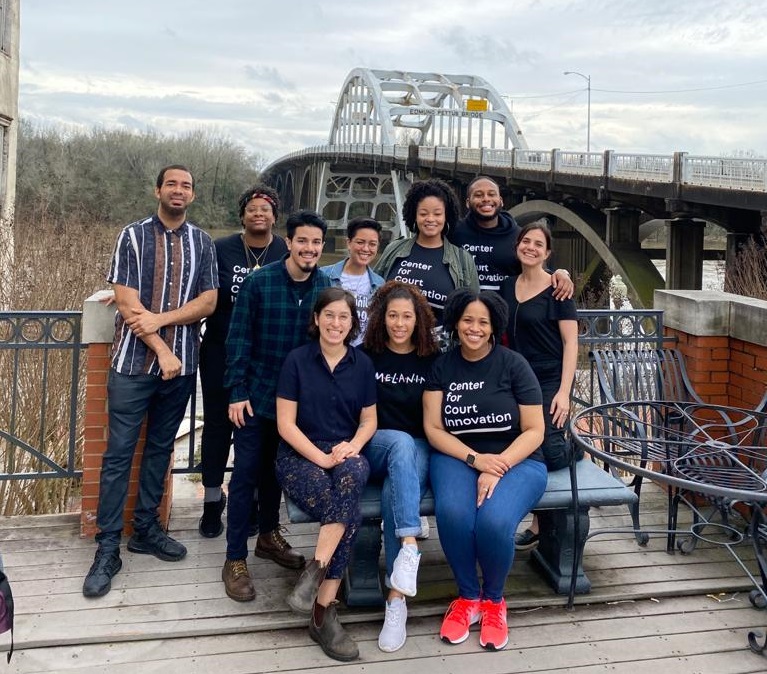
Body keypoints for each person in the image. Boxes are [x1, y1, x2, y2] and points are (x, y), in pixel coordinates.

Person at [83, 165, 218, 598]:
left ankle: (145, 530)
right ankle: (107, 548)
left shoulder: (202, 242)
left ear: (192, 195)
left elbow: (208, 301)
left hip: (181, 370)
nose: (179, 191)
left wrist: (162, 320)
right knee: (119, 454)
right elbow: (125, 301)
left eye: (186, 186)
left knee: (160, 450)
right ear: (158, 190)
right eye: (172, 184)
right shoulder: (132, 235)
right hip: (133, 365)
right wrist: (161, 347)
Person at [423, 288, 546, 651]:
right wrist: (476, 461)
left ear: (493, 327)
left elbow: (535, 430)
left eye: (483, 322)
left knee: (493, 522)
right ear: (456, 323)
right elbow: (433, 428)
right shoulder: (442, 366)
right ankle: (467, 598)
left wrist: (498, 465)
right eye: (467, 320)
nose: (474, 328)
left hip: (518, 459)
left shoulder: (513, 364)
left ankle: (493, 601)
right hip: (457, 456)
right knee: (455, 515)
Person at [222, 210, 332, 602]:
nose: (309, 248)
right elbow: (237, 340)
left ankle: (268, 536)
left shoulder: (326, 286)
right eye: (302, 241)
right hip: (257, 396)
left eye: (316, 242)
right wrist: (236, 390)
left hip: (299, 405)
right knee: (246, 476)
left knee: (276, 474)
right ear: (288, 242)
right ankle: (234, 558)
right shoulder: (259, 282)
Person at [276, 287, 376, 662]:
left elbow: (369, 420)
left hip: (346, 453)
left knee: (353, 475)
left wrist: (352, 445)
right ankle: (323, 612)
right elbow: (286, 425)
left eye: (344, 317)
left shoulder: (362, 364)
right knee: (346, 509)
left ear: (353, 324)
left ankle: (315, 571)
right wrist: (319, 456)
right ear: (317, 319)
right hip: (300, 455)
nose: (336, 323)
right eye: (329, 315)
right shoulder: (297, 361)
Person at [198, 185, 288, 538]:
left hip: (267, 358)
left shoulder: (283, 249)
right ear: (242, 215)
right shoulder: (220, 249)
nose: (258, 214)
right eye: (252, 209)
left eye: (265, 209)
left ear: (274, 216)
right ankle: (210, 503)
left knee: (259, 432)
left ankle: (250, 501)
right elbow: (197, 290)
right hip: (221, 350)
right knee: (219, 427)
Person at [361, 280, 439, 652]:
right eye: (392, 315)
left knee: (398, 485)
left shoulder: (431, 359)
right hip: (376, 445)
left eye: (407, 316)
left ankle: (396, 601)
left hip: (416, 452)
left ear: (419, 319)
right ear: (381, 317)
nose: (399, 323)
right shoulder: (366, 356)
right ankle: (410, 543)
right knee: (399, 442)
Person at [499, 222, 579, 550]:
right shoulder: (506, 286)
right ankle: (531, 513)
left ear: (547, 253)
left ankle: (574, 449)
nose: (531, 247)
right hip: (514, 378)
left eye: (538, 244)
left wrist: (564, 392)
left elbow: (571, 343)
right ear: (517, 246)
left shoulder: (559, 290)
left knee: (551, 453)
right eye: (525, 241)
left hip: (547, 379)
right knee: (519, 443)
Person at [374, 178, 479, 330]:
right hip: (392, 342)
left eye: (437, 214)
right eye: (423, 213)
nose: (430, 219)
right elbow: (373, 292)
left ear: (446, 216)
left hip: (439, 350)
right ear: (414, 216)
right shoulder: (395, 249)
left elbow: (473, 310)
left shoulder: (463, 260)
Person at [448, 175, 574, 299]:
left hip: (506, 314)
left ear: (501, 201)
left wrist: (560, 274)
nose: (486, 199)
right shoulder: (454, 232)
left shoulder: (519, 237)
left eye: (492, 194)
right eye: (478, 195)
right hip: (465, 313)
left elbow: (538, 271)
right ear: (468, 203)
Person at [320, 216, 385, 345]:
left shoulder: (380, 285)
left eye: (372, 244)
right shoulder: (324, 275)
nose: (366, 249)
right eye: (360, 242)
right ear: (348, 243)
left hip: (362, 356)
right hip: (328, 351)